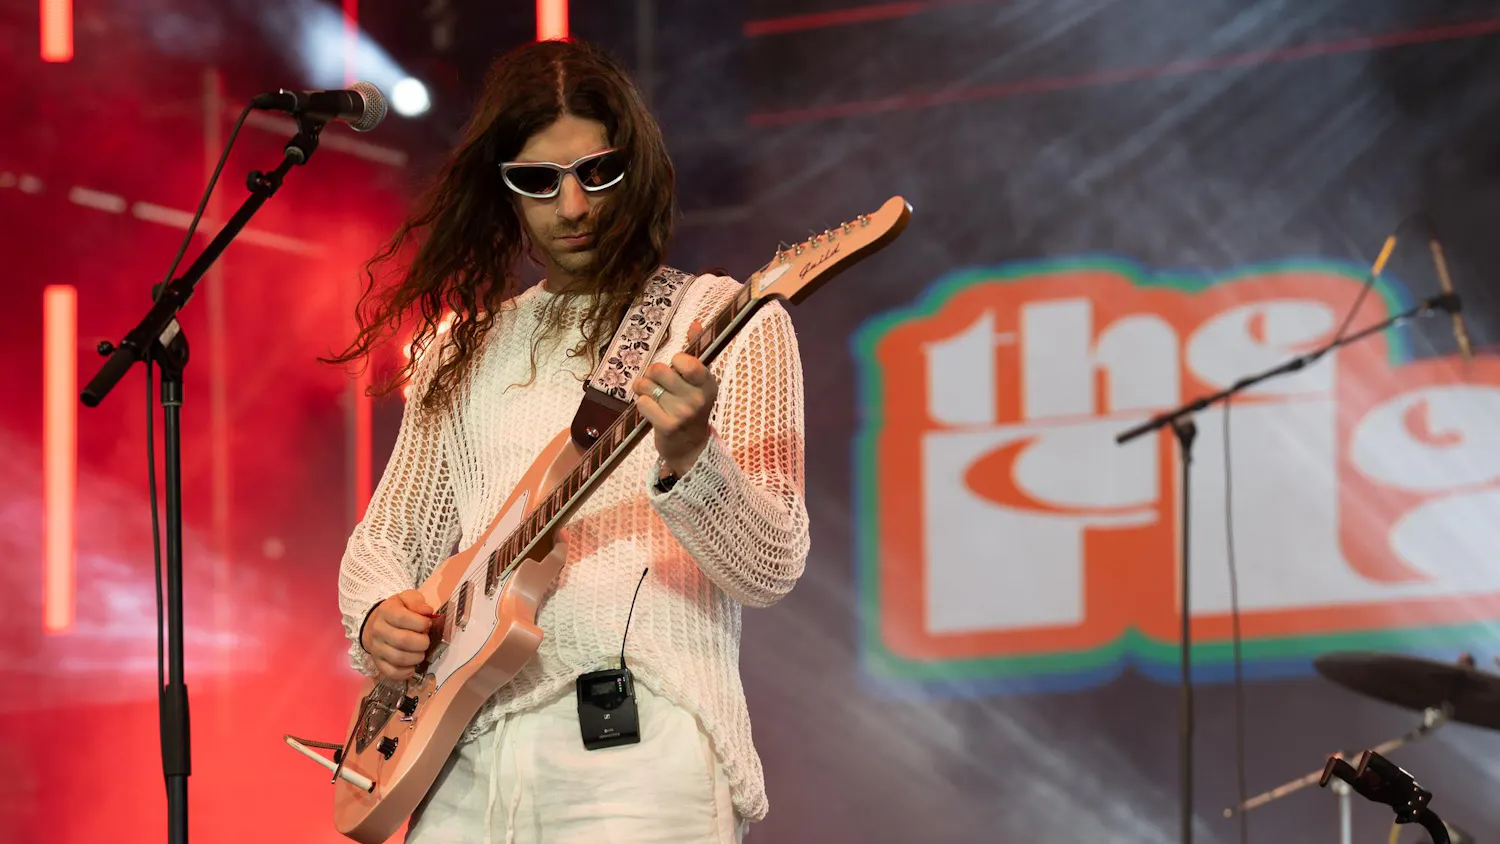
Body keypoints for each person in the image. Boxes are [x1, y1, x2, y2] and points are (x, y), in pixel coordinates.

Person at [324, 37, 809, 844]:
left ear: (637, 168)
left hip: (635, 749)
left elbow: (771, 565)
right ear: (503, 190)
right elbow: (385, 542)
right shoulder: (460, 348)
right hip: (463, 752)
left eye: (597, 172)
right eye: (538, 182)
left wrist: (691, 458)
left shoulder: (724, 320)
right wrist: (378, 615)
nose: (574, 206)